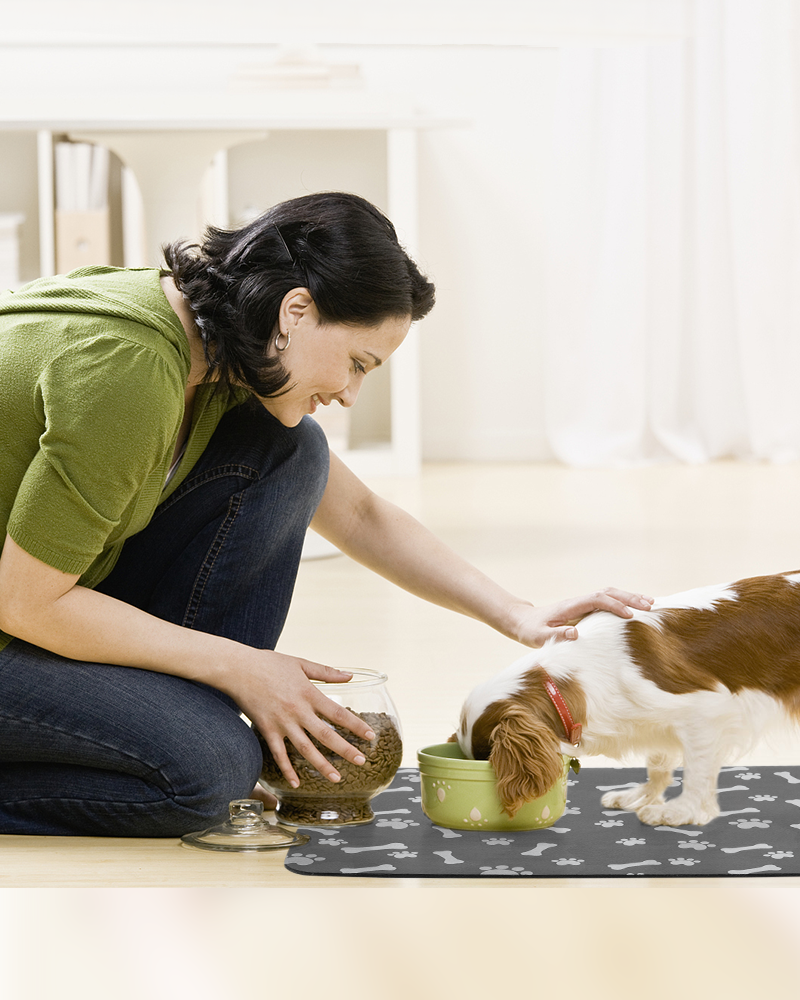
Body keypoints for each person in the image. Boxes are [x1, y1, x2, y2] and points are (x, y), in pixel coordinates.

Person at [0, 191, 652, 837]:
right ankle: (191, 734)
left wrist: (519, 615)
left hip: (37, 604)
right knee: (210, 776)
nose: (349, 392)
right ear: (296, 310)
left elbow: (361, 514)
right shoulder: (131, 369)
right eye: (357, 363)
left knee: (293, 452)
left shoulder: (211, 342)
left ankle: (182, 720)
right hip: (25, 609)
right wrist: (240, 665)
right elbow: (28, 604)